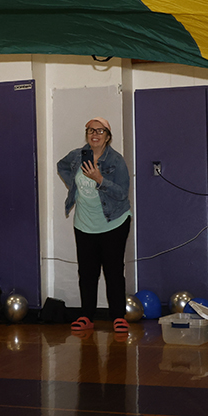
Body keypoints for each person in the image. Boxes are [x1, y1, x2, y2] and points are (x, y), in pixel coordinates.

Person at [57, 117, 133, 333]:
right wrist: (73, 186)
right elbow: (61, 166)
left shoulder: (116, 161)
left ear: (107, 137)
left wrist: (100, 179)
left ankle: (118, 316)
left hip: (113, 223)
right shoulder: (77, 156)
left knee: (113, 271)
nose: (94, 134)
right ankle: (86, 316)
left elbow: (121, 194)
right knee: (87, 272)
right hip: (84, 224)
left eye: (100, 131)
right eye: (91, 130)